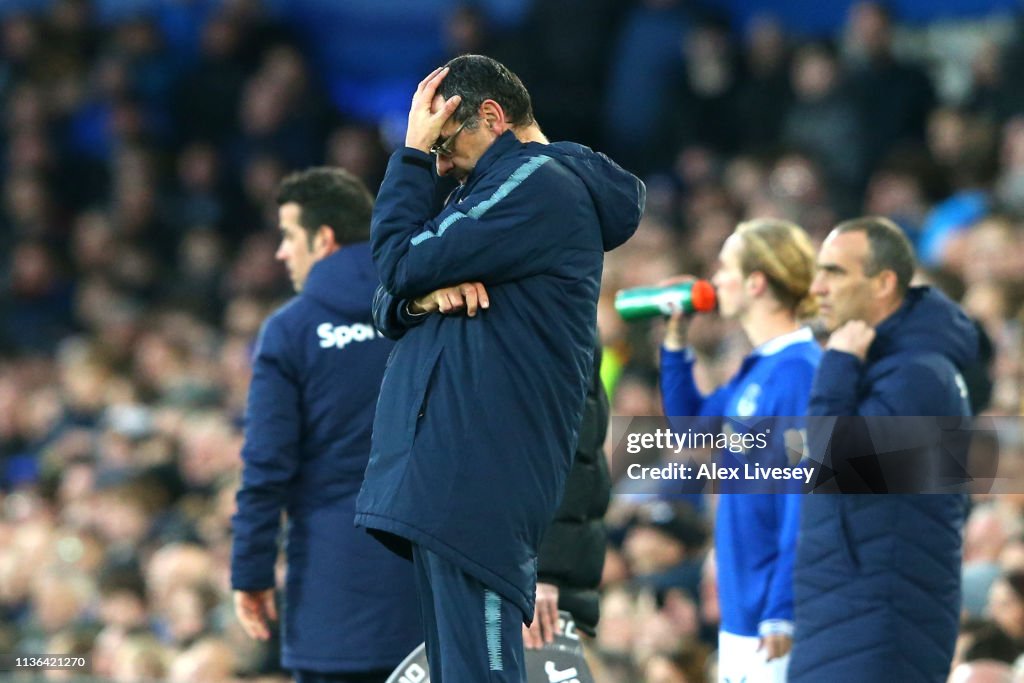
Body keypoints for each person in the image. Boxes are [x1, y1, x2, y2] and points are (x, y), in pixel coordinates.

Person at [355, 54, 644, 682]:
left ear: (491, 115)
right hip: (452, 470)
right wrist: (419, 297)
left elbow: (396, 263)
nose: (438, 162)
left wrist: (407, 157)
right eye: (428, 150)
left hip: (479, 472)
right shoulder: (486, 192)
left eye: (444, 141)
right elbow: (387, 295)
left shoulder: (535, 180)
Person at [230, 168, 422, 683]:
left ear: (324, 238)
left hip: (331, 595)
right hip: (435, 588)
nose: (281, 253)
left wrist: (250, 573)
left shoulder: (290, 332)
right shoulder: (432, 309)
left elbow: (266, 468)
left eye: (288, 237)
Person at [790, 216, 977, 682]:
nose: (818, 287)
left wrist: (836, 365)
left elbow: (839, 463)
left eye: (834, 272)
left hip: (881, 620)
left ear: (883, 283)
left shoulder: (920, 373)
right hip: (848, 609)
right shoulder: (885, 365)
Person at [660, 218, 822, 683]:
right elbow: (691, 429)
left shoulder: (799, 374)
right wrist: (676, 338)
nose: (715, 279)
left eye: (725, 266)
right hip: (742, 602)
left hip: (770, 613)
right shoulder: (760, 369)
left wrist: (782, 606)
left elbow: (806, 492)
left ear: (756, 282)